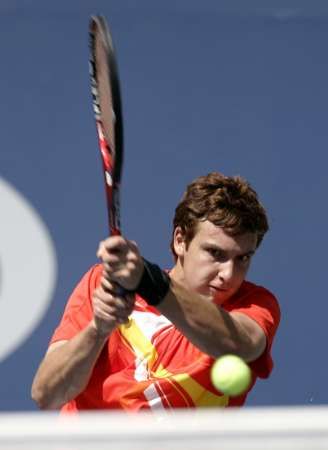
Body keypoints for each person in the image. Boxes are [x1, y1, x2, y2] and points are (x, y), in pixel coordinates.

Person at [31, 172, 280, 411]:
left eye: (243, 258)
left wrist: (147, 280)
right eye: (216, 253)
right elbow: (47, 395)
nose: (228, 273)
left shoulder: (254, 304)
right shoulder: (102, 283)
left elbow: (239, 345)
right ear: (180, 240)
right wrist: (97, 330)